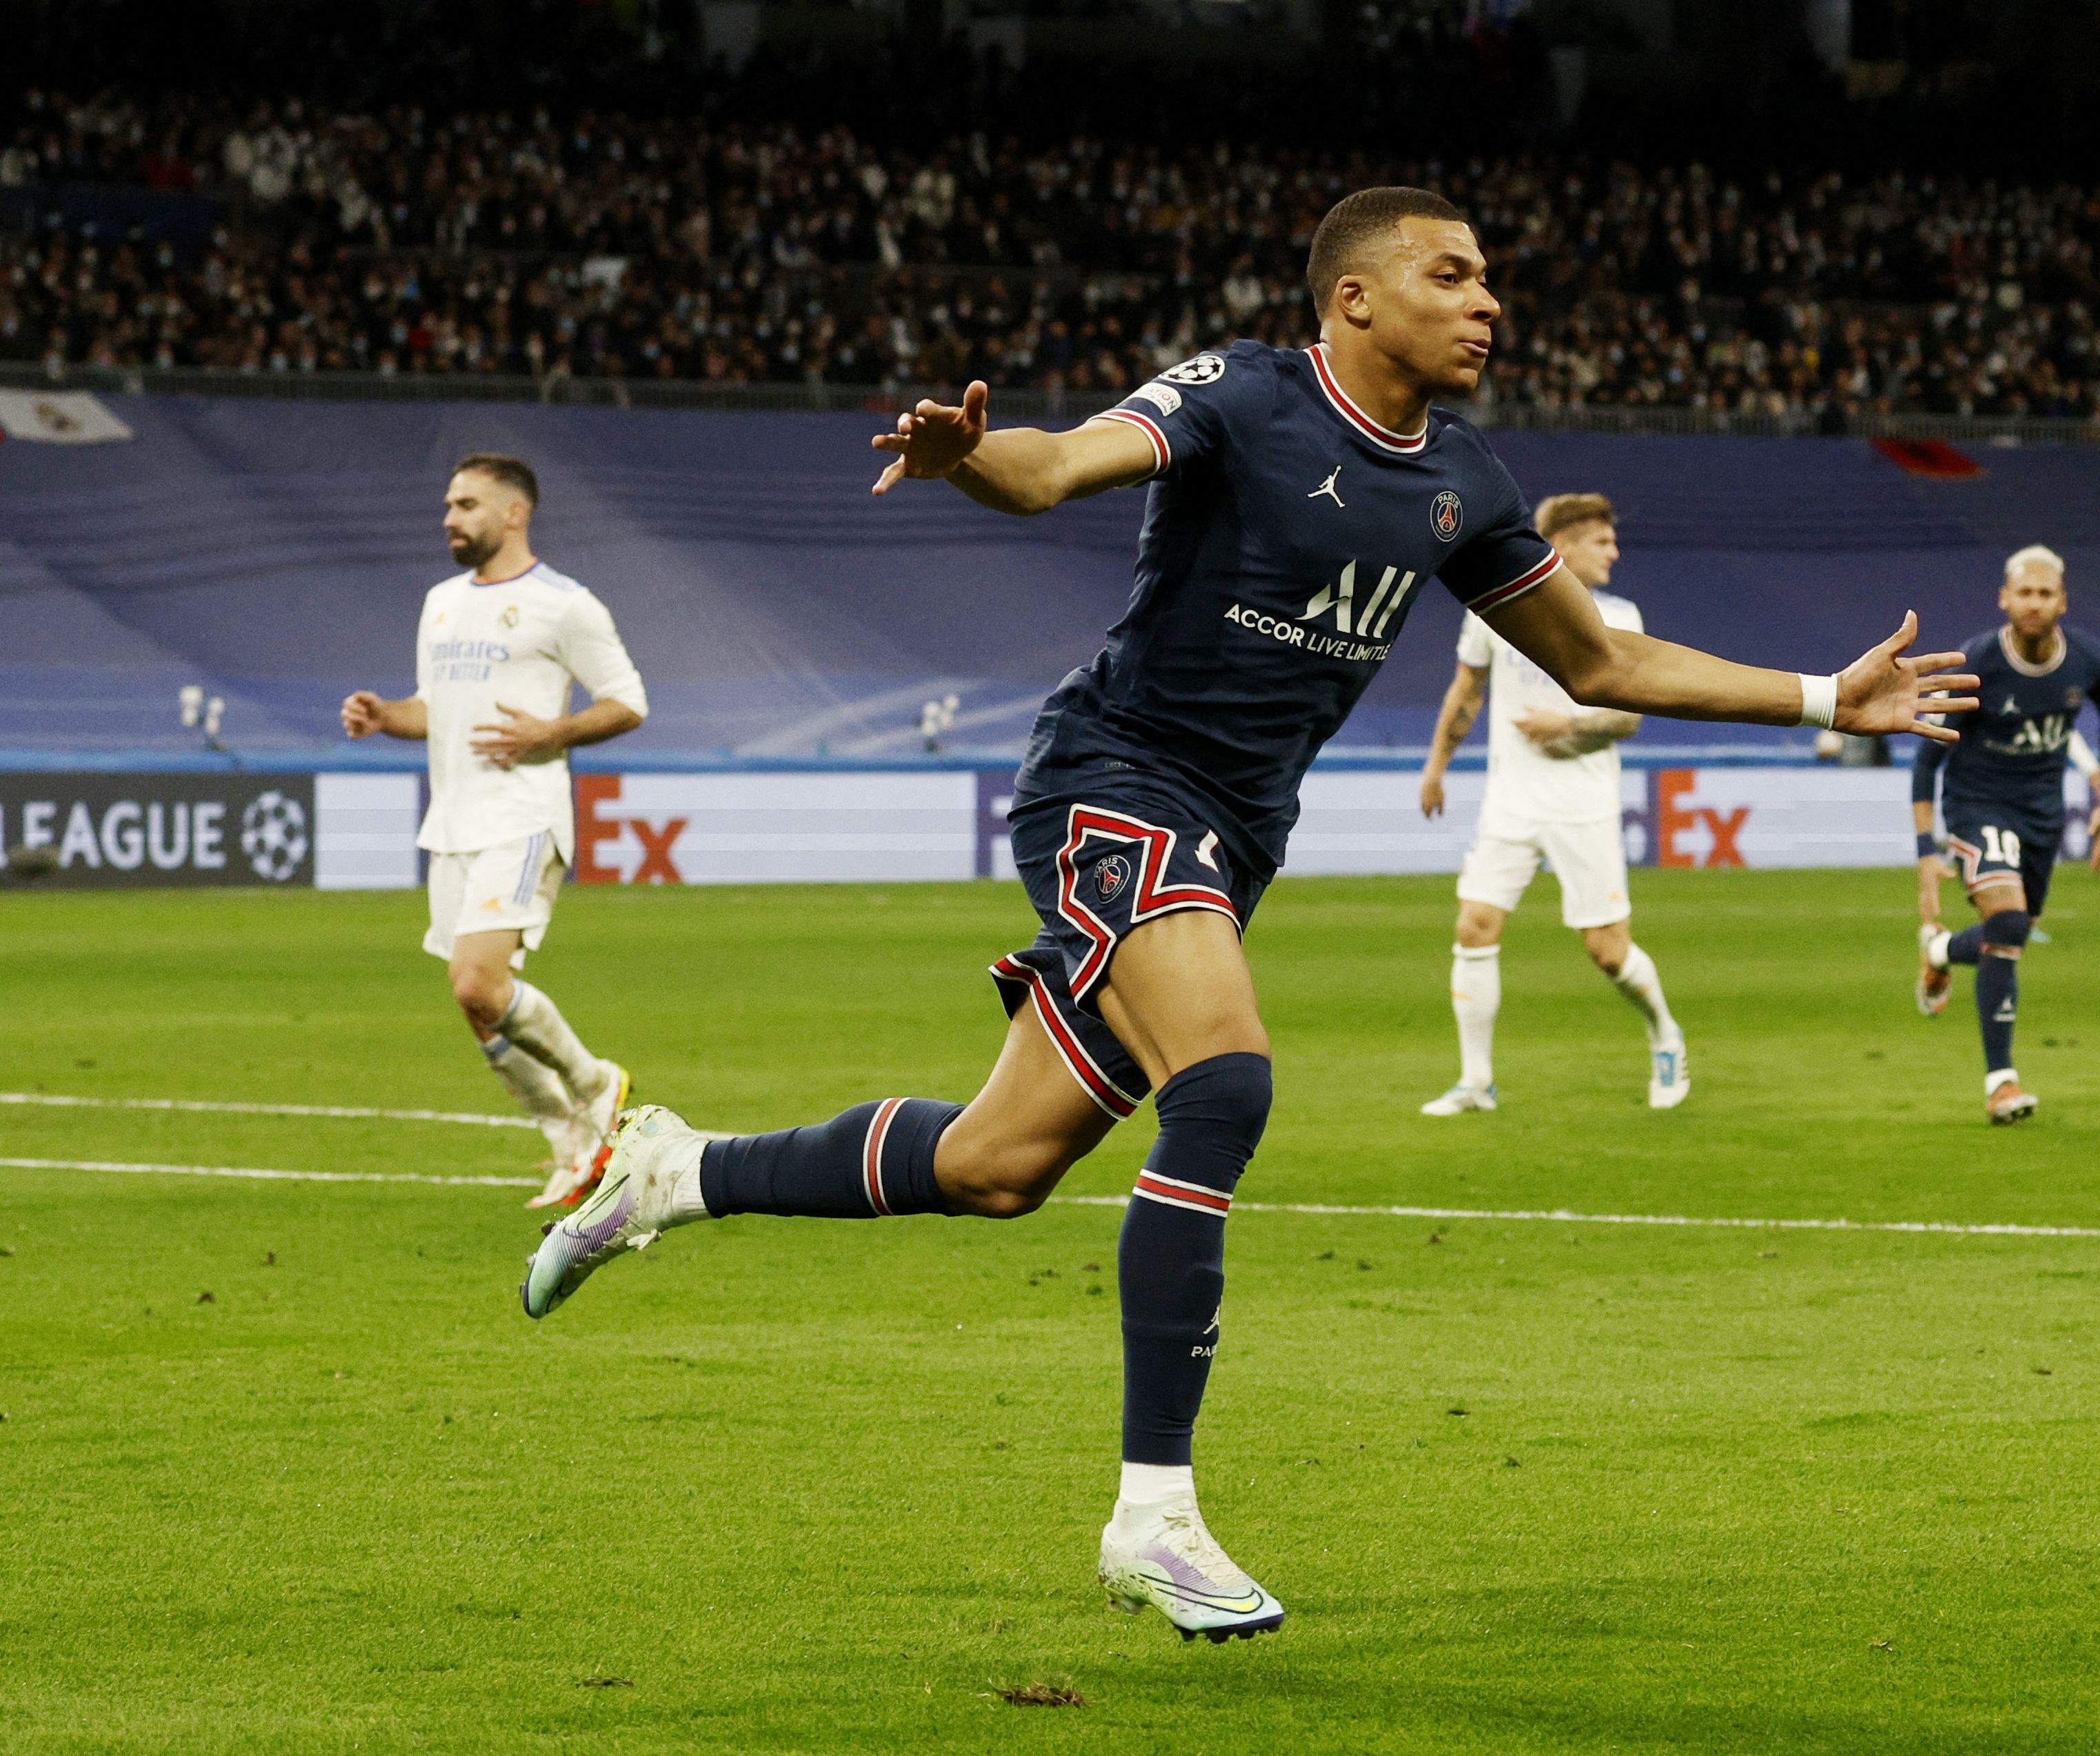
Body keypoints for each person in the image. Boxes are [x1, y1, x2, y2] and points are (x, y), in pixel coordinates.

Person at [519, 188, 1975, 1642]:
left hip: (1232, 837)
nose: (1487, 303)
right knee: (1223, 1083)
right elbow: (1060, 467)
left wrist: (1817, 698)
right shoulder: (1244, 393)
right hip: (1113, 781)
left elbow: (1596, 660)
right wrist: (974, 462)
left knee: (995, 1162)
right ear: (1353, 298)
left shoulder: (1461, 475)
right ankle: (1154, 1514)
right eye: (1451, 275)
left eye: (1490, 279)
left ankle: (676, 1172)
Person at [341, 455, 648, 1208]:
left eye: (467, 503)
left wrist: (555, 730)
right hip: (451, 824)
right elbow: (433, 708)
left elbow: (628, 700)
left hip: (524, 815)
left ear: (514, 513)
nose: (450, 516)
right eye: (448, 503)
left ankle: (594, 1083)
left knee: (479, 979)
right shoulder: (441, 602)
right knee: (475, 1001)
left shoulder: (564, 605)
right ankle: (565, 1134)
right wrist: (387, 716)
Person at [1413, 490, 1685, 1114]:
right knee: (1474, 927)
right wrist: (1435, 767)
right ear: (1561, 545)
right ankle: (1475, 1081)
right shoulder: (1493, 611)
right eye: (1602, 540)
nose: (1614, 551)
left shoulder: (1618, 615)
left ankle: (1665, 1036)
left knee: (1607, 951)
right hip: (1510, 800)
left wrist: (1567, 729)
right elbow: (1466, 692)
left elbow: (1628, 718)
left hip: (1582, 800)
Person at [1911, 545, 2100, 1124]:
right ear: (2004, 599)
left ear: (2062, 602)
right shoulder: (1977, 662)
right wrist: (1926, 851)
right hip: (1976, 804)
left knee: (2011, 934)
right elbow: (1928, 759)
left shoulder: (2089, 662)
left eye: (2045, 594)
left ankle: (1938, 950)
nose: (2034, 603)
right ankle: (2001, 1083)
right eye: (2023, 593)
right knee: (2005, 924)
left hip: (2041, 816)